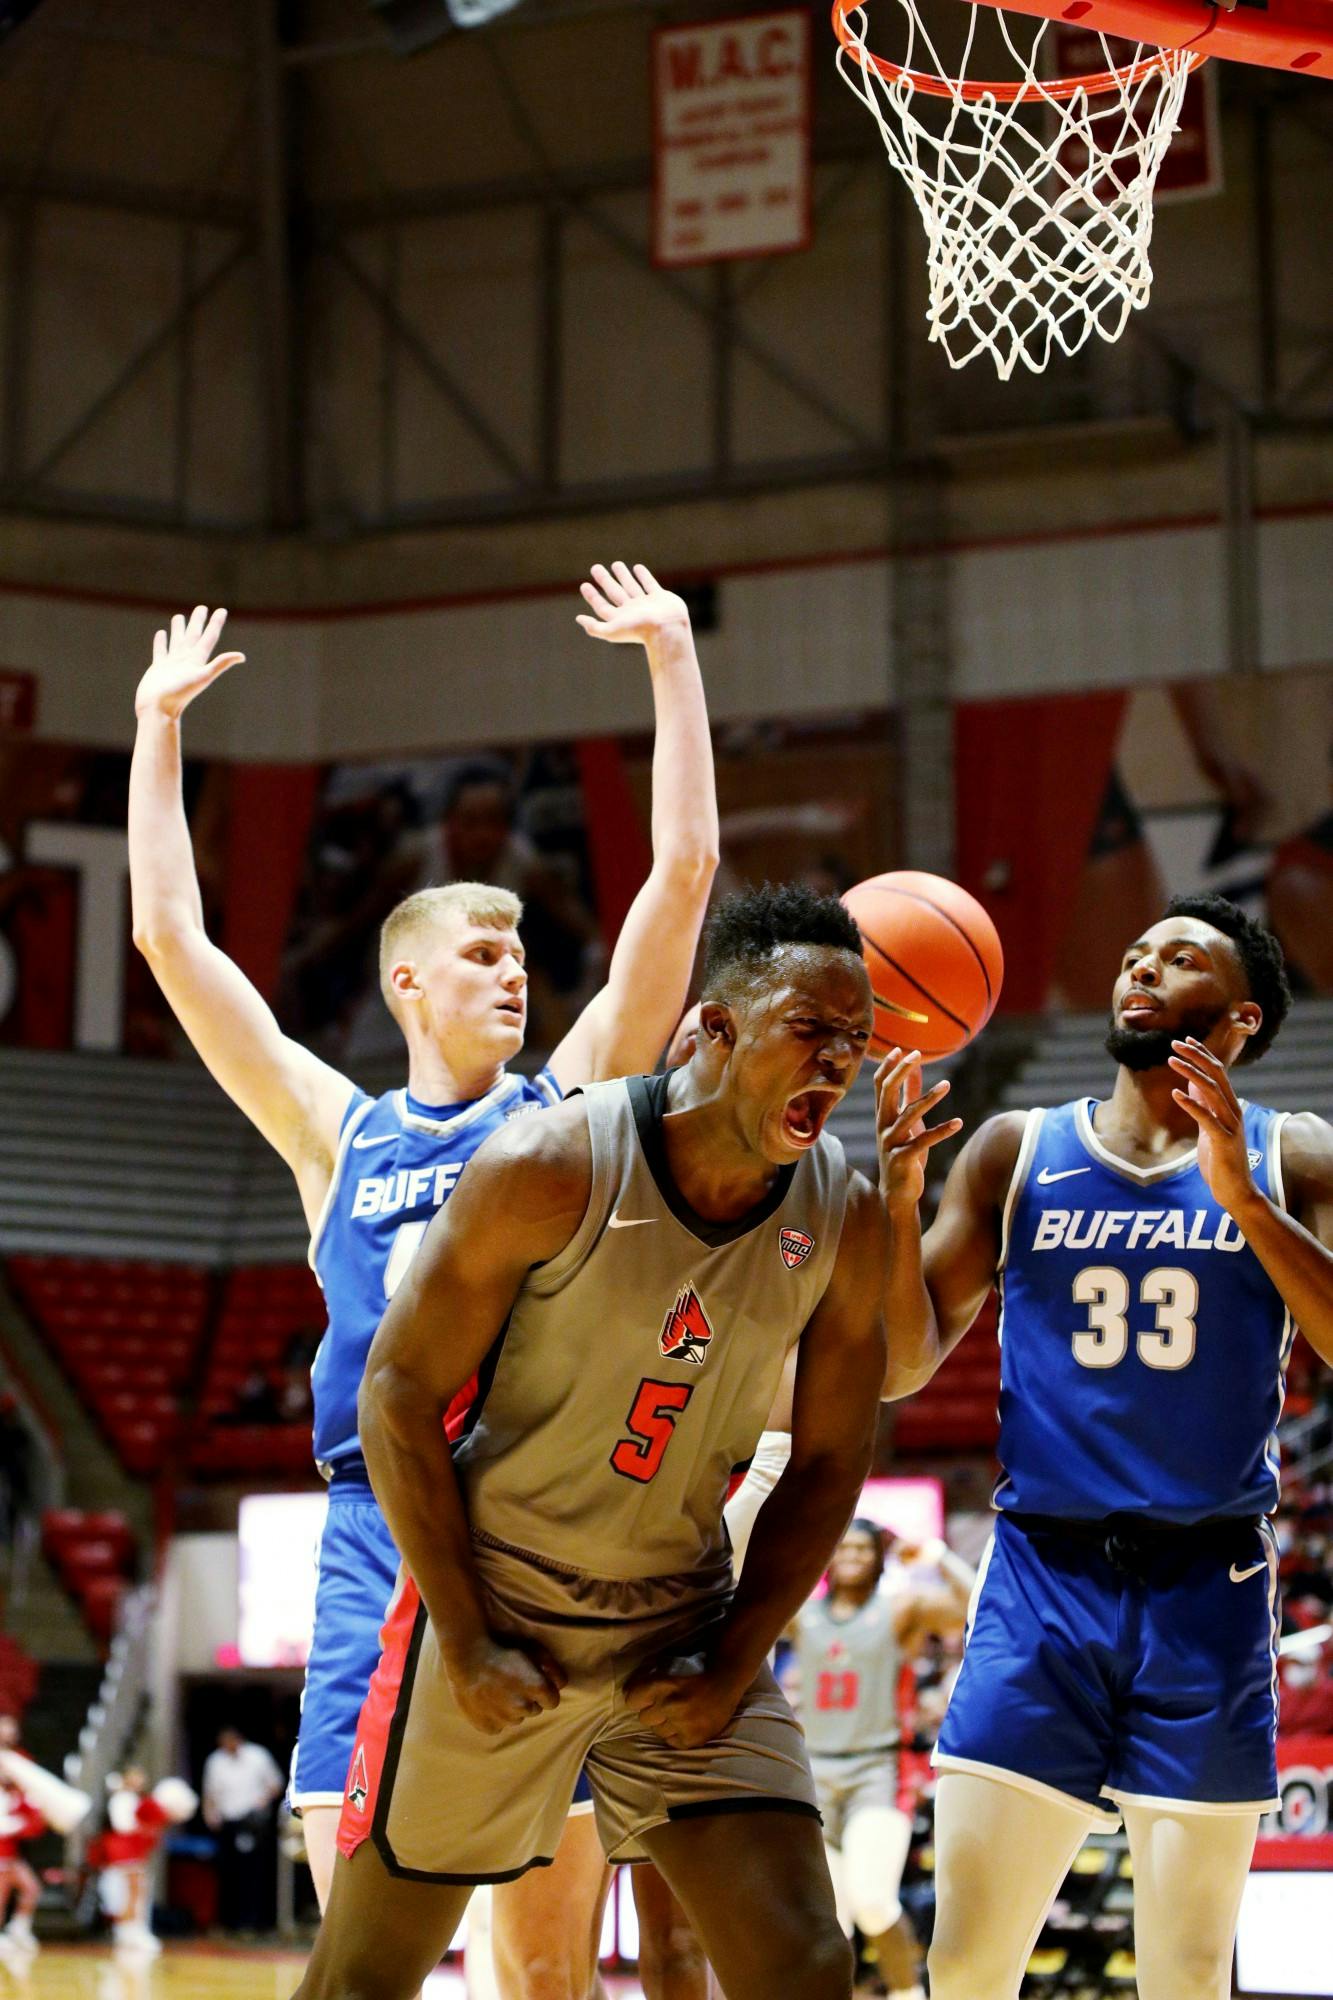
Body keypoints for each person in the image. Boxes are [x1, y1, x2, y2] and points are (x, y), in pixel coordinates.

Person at [128, 564, 719, 2000]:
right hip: (370, 1532)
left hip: (537, 1535)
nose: (514, 972)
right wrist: (155, 728)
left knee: (542, 1971)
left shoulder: (563, 1105)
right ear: (407, 986)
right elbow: (171, 943)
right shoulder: (338, 1133)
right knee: (358, 1943)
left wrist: (672, 661)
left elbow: (680, 884)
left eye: (521, 952)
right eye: (482, 952)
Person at [291, 882, 933, 2000]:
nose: (835, 1064)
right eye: (809, 1032)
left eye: (855, 1040)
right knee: (362, 1979)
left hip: (678, 1619)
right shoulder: (551, 1162)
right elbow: (392, 1393)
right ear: (716, 1027)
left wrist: (736, 1654)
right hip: (502, 1607)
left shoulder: (843, 1208)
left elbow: (833, 1457)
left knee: (803, 1960)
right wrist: (465, 1632)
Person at [875, 890, 1333, 2000]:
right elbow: (899, 1364)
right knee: (969, 1964)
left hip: (1206, 1591)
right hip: (1040, 1581)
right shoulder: (1013, 1148)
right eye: (1133, 952)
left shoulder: (1297, 1153)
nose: (1140, 967)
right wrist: (894, 1202)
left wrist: (1246, 1205)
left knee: (1183, 1973)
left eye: (1178, 960)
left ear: (1240, 1021)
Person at [791, 1521, 974, 2000]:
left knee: (872, 1901)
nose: (851, 1555)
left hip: (878, 1771)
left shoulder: (898, 1610)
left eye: (861, 1548)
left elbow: (973, 1604)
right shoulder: (802, 1612)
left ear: (878, 1558)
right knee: (829, 1921)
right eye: (842, 1546)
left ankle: (908, 1992)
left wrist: (935, 1555)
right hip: (812, 1774)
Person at [201, 1727, 284, 1935]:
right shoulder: (215, 1761)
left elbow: (275, 1784)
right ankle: (228, 1922)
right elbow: (209, 1792)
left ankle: (252, 1922)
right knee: (227, 1873)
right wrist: (210, 1816)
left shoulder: (258, 1756)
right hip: (227, 1822)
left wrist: (261, 1803)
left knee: (253, 1873)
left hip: (253, 1822)